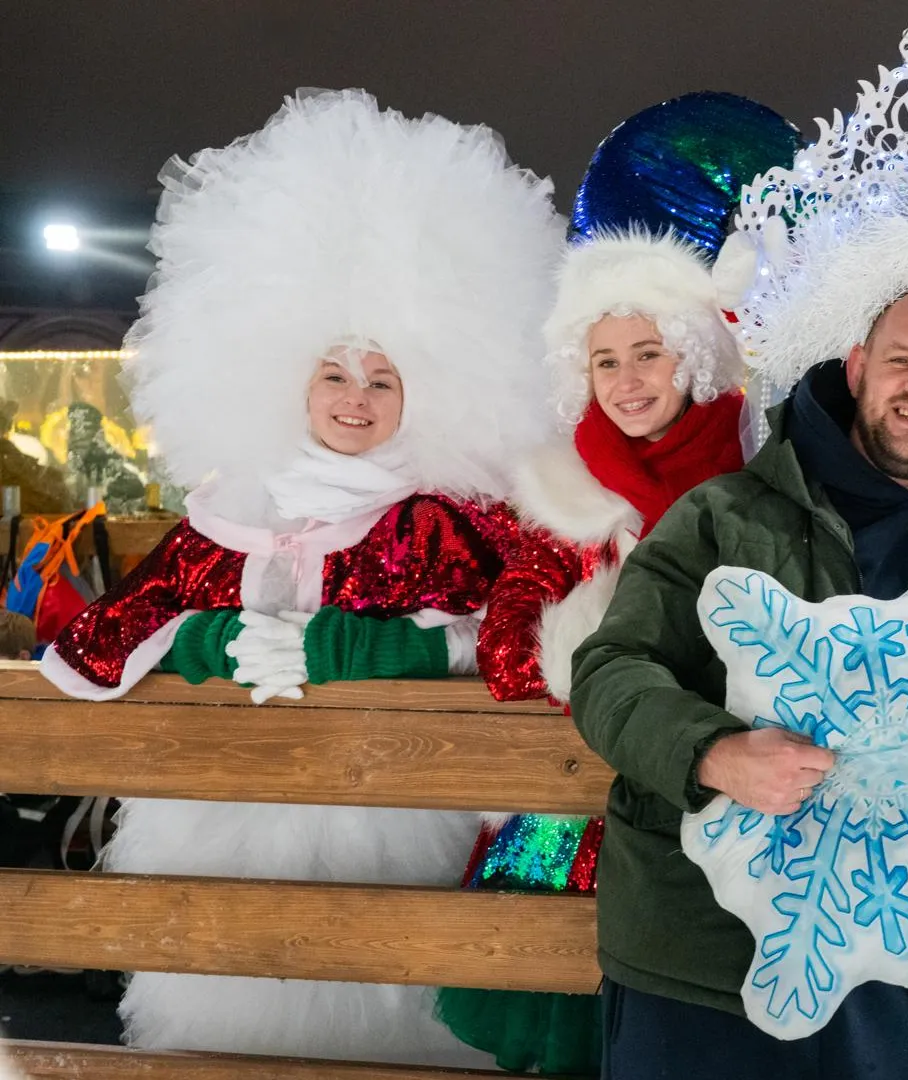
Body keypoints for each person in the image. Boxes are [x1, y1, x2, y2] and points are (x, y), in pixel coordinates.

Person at [572, 26, 908, 1079]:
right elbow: (611, 672)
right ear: (857, 359)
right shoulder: (728, 514)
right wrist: (713, 753)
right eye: (902, 361)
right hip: (699, 947)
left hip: (891, 944)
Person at [39, 89, 560, 1065]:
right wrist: (213, 642)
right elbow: (113, 632)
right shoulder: (231, 504)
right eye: (334, 373)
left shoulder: (451, 519)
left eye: (382, 378)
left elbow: (518, 642)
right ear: (287, 373)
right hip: (223, 818)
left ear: (432, 388)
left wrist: (350, 650)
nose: (354, 399)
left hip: (390, 821)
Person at [447, 229, 759, 1072]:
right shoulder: (562, 491)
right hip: (577, 800)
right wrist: (586, 645)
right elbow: (506, 649)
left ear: (689, 355)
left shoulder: (756, 472)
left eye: (648, 354)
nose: (628, 381)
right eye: (606, 361)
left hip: (728, 785)